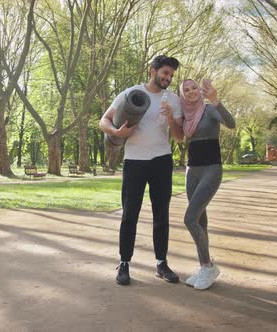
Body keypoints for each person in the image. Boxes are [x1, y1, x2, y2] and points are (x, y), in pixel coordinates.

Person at [99, 55, 184, 286]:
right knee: (129, 214)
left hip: (161, 160)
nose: (168, 78)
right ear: (153, 70)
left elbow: (179, 136)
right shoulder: (132, 93)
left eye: (171, 75)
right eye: (165, 73)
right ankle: (124, 264)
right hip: (134, 160)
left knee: (161, 214)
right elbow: (103, 120)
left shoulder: (173, 100)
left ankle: (161, 263)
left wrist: (172, 120)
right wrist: (117, 133)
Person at [178, 78, 235, 290]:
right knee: (201, 221)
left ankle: (207, 265)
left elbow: (231, 123)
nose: (191, 92)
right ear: (182, 94)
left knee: (189, 218)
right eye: (186, 90)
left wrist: (216, 100)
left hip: (211, 169)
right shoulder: (184, 114)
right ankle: (205, 267)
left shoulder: (209, 109)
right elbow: (177, 136)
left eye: (194, 88)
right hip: (192, 171)